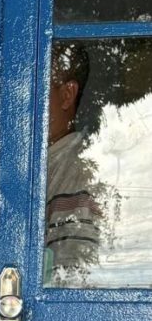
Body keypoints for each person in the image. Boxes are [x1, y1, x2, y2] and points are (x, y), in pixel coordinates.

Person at [45, 41, 102, 284]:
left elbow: (69, 281)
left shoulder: (77, 175)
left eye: (35, 87)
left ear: (67, 94)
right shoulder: (49, 165)